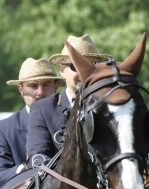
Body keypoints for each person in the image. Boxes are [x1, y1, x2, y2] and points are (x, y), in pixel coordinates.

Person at [25, 34, 113, 167]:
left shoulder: (111, 106)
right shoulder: (42, 110)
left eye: (92, 64)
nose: (84, 72)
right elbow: (37, 158)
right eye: (75, 66)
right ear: (62, 70)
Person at [0, 58, 64, 189]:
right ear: (20, 89)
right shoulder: (3, 130)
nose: (40, 92)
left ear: (56, 86)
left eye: (46, 85)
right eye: (33, 86)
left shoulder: (71, 119)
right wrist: (24, 169)